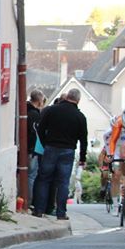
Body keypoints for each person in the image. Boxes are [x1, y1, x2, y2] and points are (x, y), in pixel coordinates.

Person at [32, 88, 88, 220]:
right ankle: (61, 213)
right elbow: (83, 140)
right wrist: (83, 158)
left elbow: (40, 129)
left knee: (44, 179)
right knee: (63, 182)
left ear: (67, 96)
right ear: (78, 100)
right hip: (68, 150)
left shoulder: (52, 110)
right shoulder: (80, 117)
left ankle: (39, 210)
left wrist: (45, 143)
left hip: (51, 147)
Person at [27, 89, 45, 198]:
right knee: (31, 176)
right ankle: (29, 200)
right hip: (32, 149)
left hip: (29, 148)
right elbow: (36, 133)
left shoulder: (26, 110)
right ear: (39, 101)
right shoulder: (35, 114)